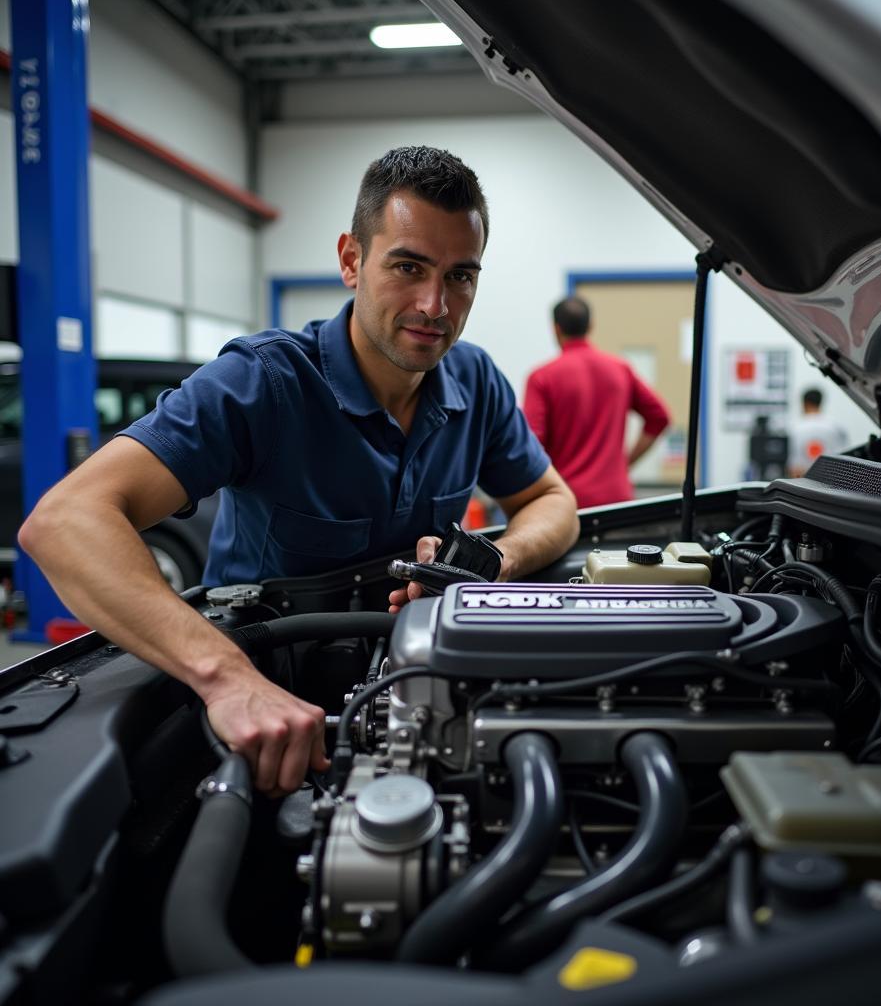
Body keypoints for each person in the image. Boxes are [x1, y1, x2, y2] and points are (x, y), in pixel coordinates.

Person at [19, 146, 579, 796]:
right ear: (351, 259)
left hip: (414, 698)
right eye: (408, 266)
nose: (436, 305)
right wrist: (225, 677)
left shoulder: (474, 380)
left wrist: (496, 561)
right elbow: (65, 522)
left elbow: (551, 499)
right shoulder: (262, 383)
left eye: (460, 276)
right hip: (267, 716)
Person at [522, 296, 670, 508]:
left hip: (566, 504)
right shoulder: (620, 369)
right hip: (617, 500)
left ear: (555, 329)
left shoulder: (542, 378)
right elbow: (660, 417)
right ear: (591, 325)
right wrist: (624, 464)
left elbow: (532, 446)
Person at [788, 387, 848, 476]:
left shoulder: (794, 428)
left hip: (801, 481)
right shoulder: (836, 427)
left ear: (805, 403)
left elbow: (792, 467)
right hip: (829, 480)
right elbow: (844, 460)